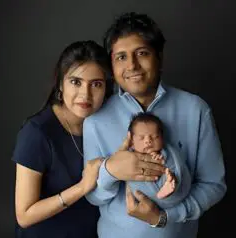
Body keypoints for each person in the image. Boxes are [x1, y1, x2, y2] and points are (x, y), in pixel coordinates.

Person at [82, 12, 226, 238]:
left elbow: (213, 184)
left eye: (142, 53)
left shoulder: (196, 110)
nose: (132, 65)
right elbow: (93, 197)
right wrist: (110, 171)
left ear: (159, 57)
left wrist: (164, 218)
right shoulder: (95, 121)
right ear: (111, 64)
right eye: (121, 57)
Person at [12, 40, 113, 238]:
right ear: (60, 83)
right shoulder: (37, 132)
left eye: (96, 84)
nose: (86, 94)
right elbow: (24, 216)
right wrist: (82, 187)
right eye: (76, 82)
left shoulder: (105, 124)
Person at [122, 112, 189, 206]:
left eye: (154, 137)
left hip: (166, 184)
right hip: (143, 194)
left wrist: (160, 157)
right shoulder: (129, 155)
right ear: (131, 142)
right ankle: (166, 187)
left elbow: (170, 161)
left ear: (162, 138)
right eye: (141, 138)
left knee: (169, 174)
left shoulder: (164, 151)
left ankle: (168, 185)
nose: (148, 141)